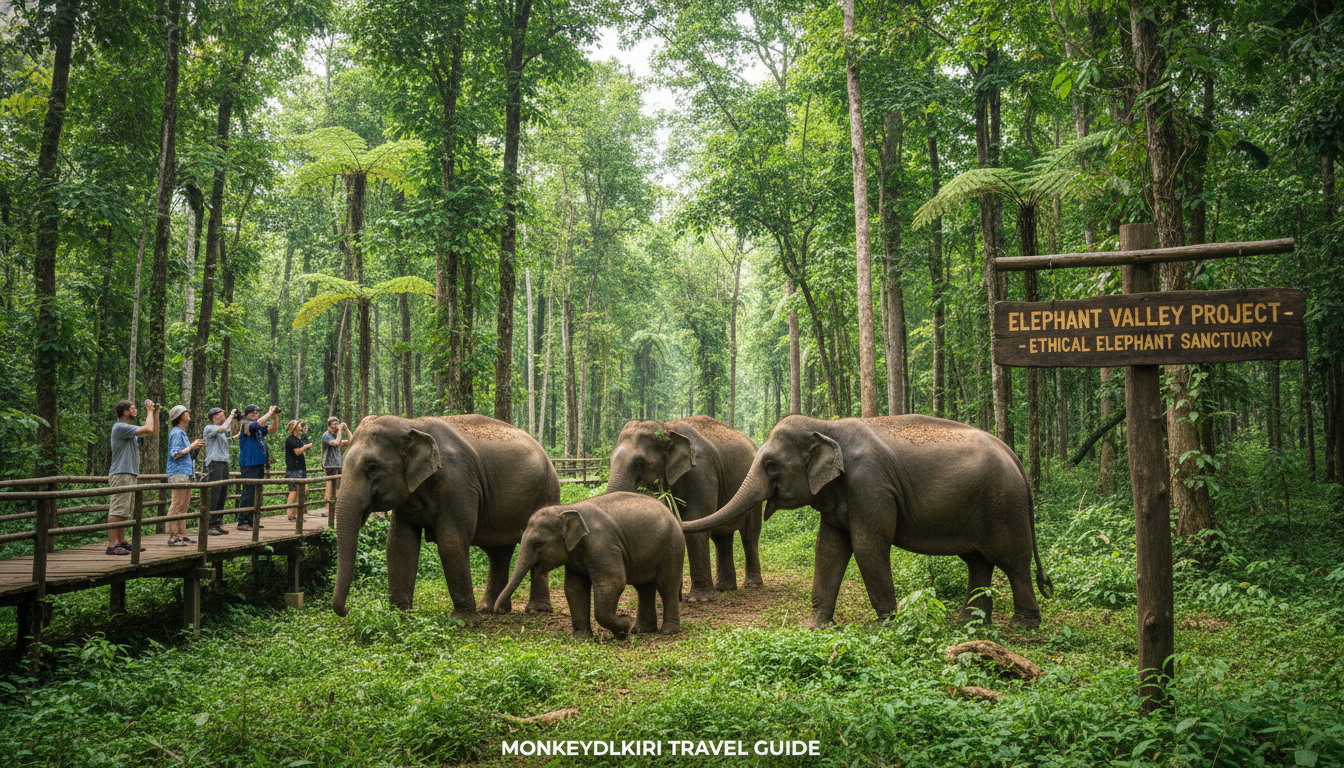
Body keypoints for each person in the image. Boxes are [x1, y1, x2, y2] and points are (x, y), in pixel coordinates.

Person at [107, 399, 159, 555]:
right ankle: (112, 544)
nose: (136, 410)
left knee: (124, 510)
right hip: (121, 472)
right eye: (133, 408)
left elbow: (153, 431)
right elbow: (148, 428)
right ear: (125, 412)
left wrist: (155, 413)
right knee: (117, 510)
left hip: (129, 472)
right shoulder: (120, 427)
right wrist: (149, 411)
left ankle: (121, 541)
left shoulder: (129, 428)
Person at [165, 406, 205, 546]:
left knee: (184, 505)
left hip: (186, 472)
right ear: (179, 416)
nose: (188, 414)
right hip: (178, 472)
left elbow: (186, 453)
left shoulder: (181, 432)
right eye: (186, 412)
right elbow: (175, 454)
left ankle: (182, 535)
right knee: (177, 504)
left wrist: (194, 448)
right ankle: (172, 536)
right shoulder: (176, 432)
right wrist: (192, 446)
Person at [237, 404, 279, 531]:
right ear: (247, 414)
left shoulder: (259, 427)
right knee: (248, 493)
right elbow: (255, 426)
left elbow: (272, 429)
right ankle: (243, 521)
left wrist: (275, 416)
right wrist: (270, 412)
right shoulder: (245, 424)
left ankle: (252, 520)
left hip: (259, 463)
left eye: (257, 412)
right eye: (252, 412)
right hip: (249, 463)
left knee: (257, 494)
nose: (255, 413)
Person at [201, 407, 238, 536]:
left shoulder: (222, 430)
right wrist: (231, 414)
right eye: (221, 415)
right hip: (214, 463)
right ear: (214, 417)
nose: (223, 418)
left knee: (222, 494)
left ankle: (217, 523)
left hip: (223, 463)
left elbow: (234, 432)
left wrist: (237, 419)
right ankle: (209, 525)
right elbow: (223, 428)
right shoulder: (209, 428)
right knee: (214, 495)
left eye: (224, 415)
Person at [283, 420, 314, 521]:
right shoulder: (291, 439)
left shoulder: (298, 439)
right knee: (294, 491)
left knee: (302, 491)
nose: (301, 426)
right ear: (293, 427)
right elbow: (297, 452)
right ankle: (290, 514)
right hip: (293, 469)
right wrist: (306, 447)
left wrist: (303, 427)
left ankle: (295, 513)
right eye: (299, 425)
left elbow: (304, 430)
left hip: (300, 468)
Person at [320, 417, 350, 516]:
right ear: (329, 425)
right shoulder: (326, 435)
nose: (336, 426)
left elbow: (351, 441)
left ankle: (334, 508)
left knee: (337, 487)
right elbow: (336, 443)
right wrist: (340, 431)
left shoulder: (337, 435)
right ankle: (327, 509)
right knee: (330, 485)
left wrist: (346, 429)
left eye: (337, 423)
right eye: (334, 424)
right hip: (329, 465)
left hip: (338, 464)